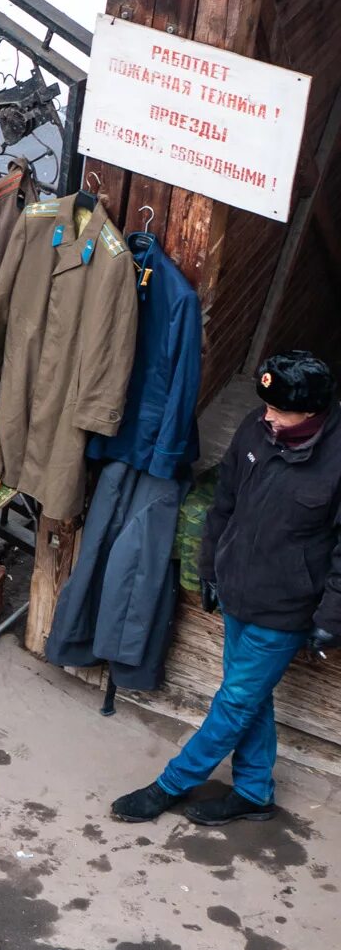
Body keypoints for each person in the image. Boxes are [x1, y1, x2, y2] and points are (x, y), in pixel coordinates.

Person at [112, 351, 340, 826]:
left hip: (286, 606)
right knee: (248, 698)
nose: (267, 415)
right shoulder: (257, 428)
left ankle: (170, 786)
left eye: (279, 409)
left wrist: (330, 618)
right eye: (266, 405)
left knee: (235, 701)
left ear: (313, 411)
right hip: (238, 585)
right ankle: (255, 792)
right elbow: (225, 502)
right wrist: (210, 568)